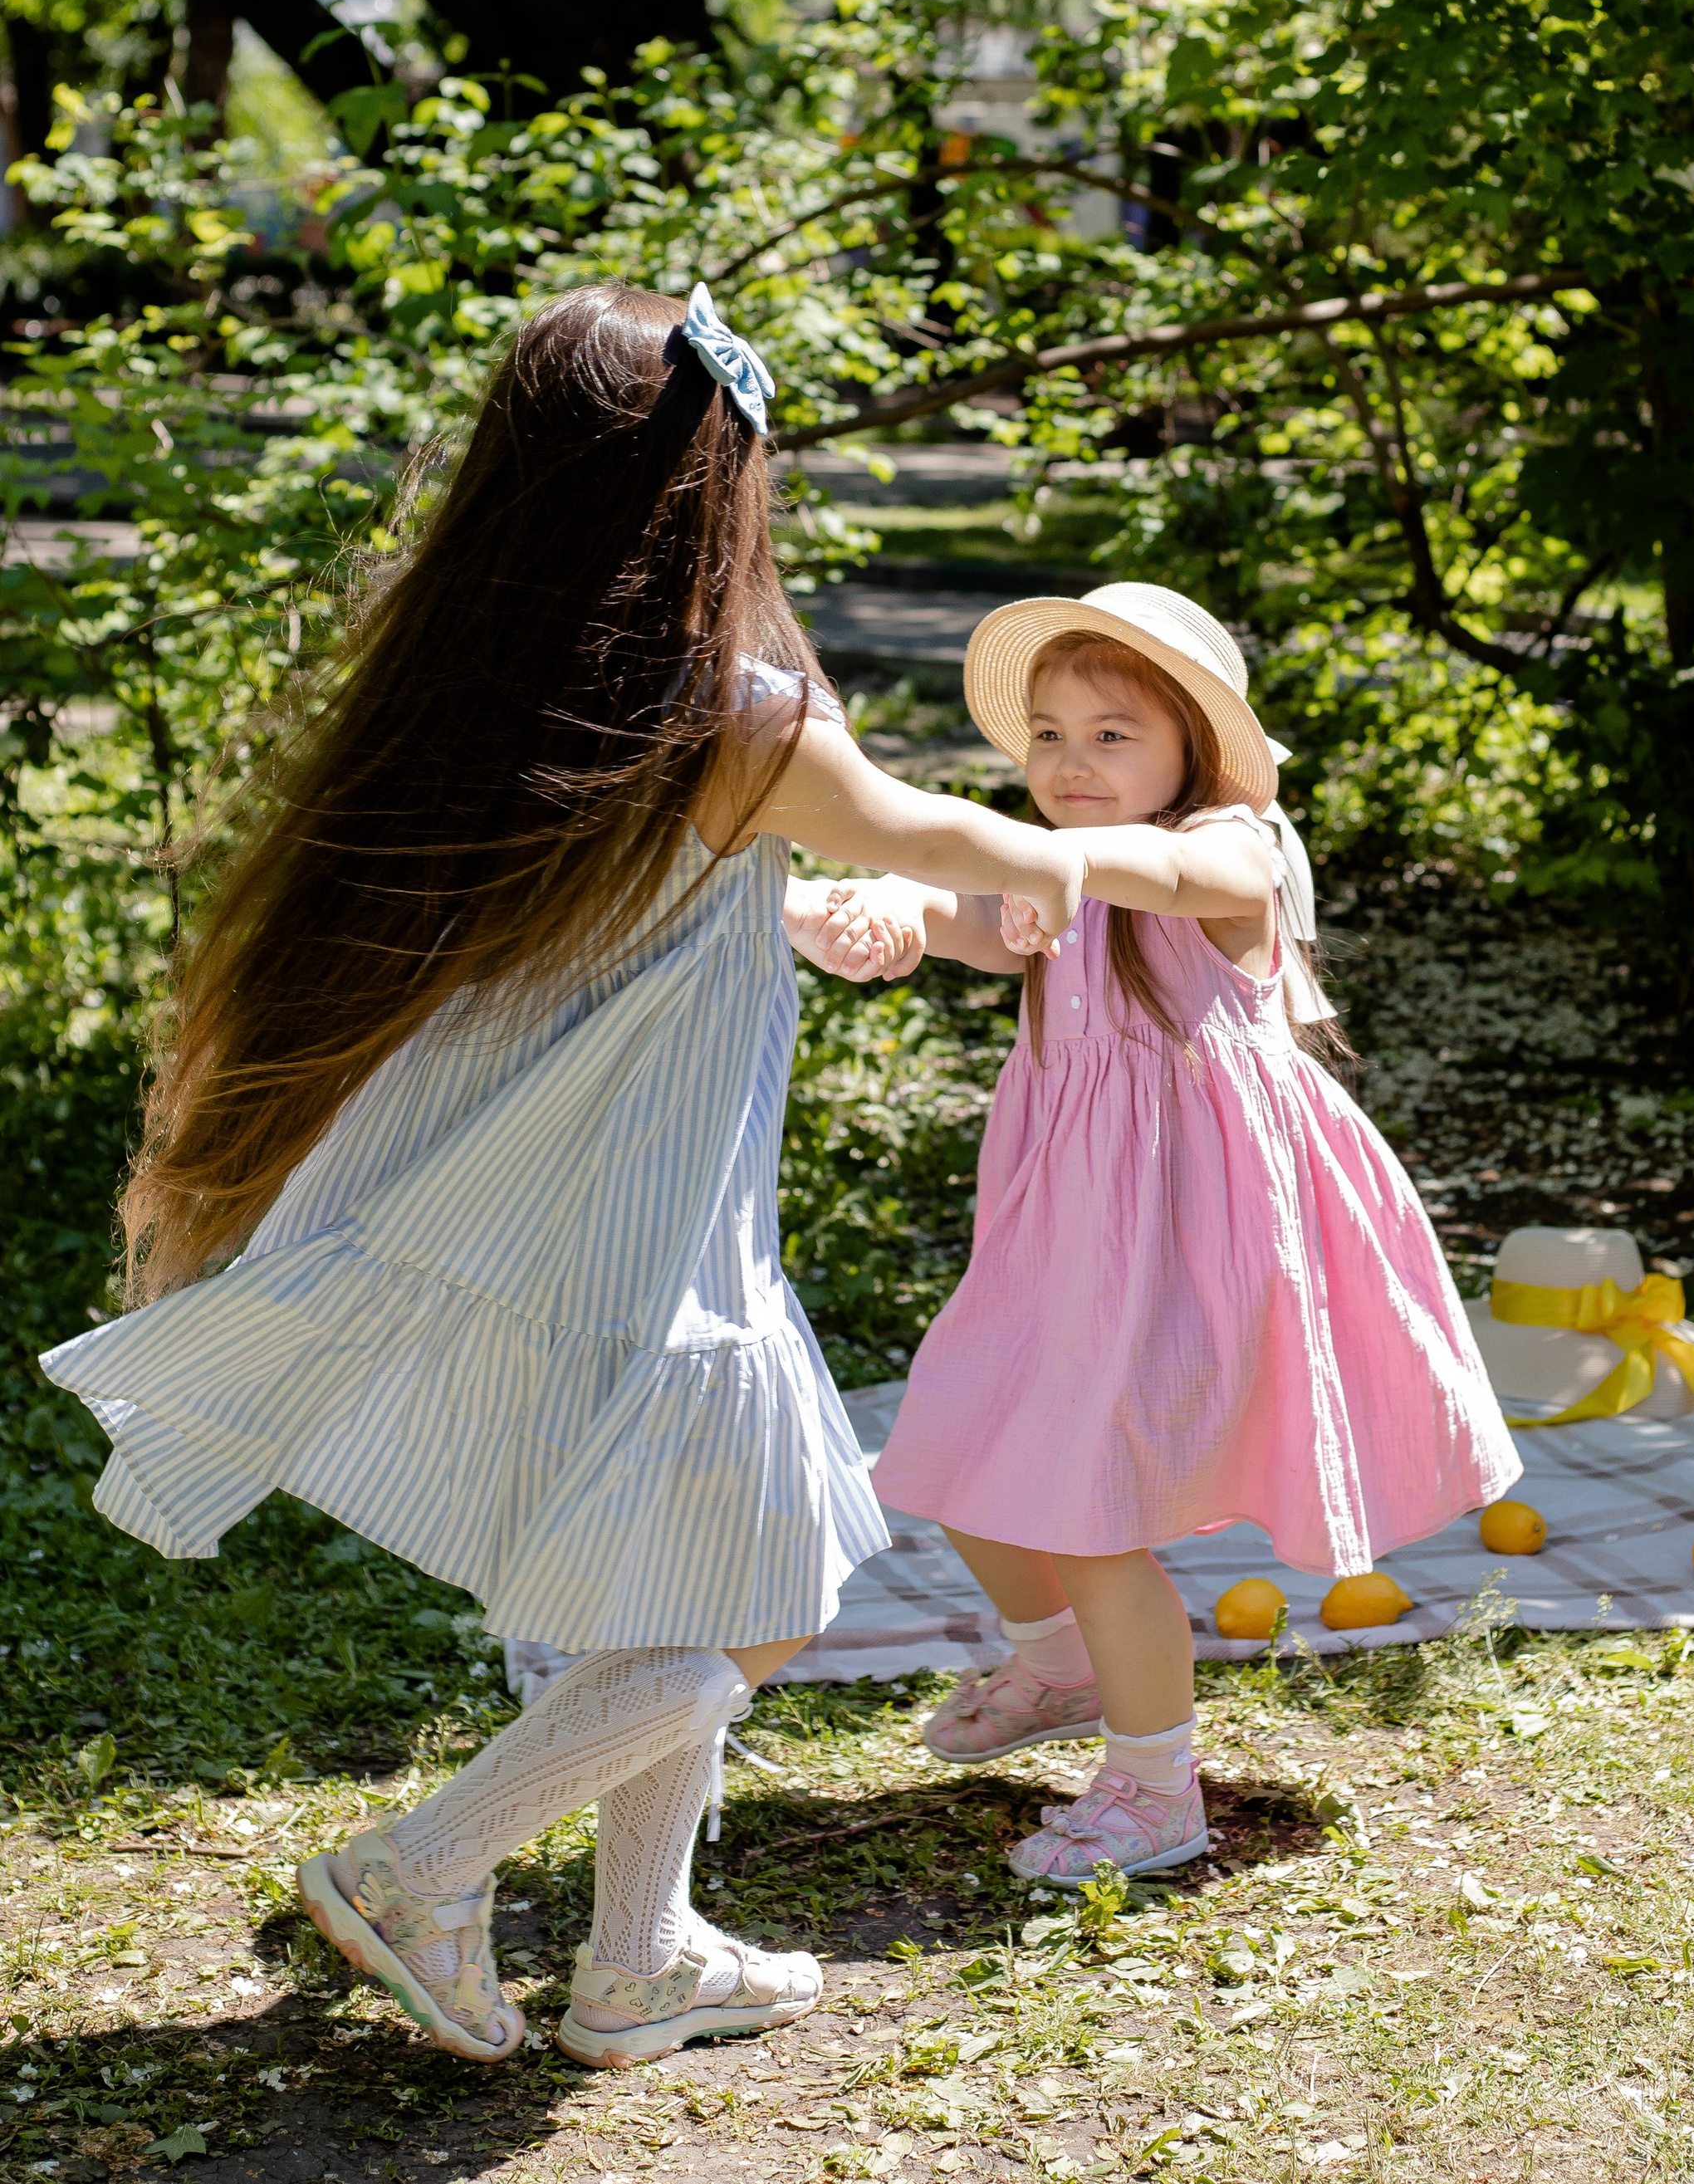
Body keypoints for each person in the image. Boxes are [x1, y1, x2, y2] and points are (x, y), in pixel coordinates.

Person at [40, 285, 1087, 2066]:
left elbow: (737, 887)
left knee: (672, 1584)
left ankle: (640, 1956)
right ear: (710, 483)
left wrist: (822, 904)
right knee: (760, 1606)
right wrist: (1146, 855)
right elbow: (934, 832)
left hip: (553, 1229)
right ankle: (418, 1864)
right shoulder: (736, 716)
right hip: (656, 1244)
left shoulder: (497, 671)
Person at [853, 584, 1520, 1885]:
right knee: (948, 1440)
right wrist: (891, 911)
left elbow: (1170, 873)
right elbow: (978, 922)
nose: (1068, 762)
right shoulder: (1062, 869)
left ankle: (1157, 1789)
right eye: (1047, 734)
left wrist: (1051, 858)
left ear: (1195, 749)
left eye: (1111, 734)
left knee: (1097, 1508)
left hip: (1193, 1236)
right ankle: (1058, 1667)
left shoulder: (1226, 852)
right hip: (1069, 1234)